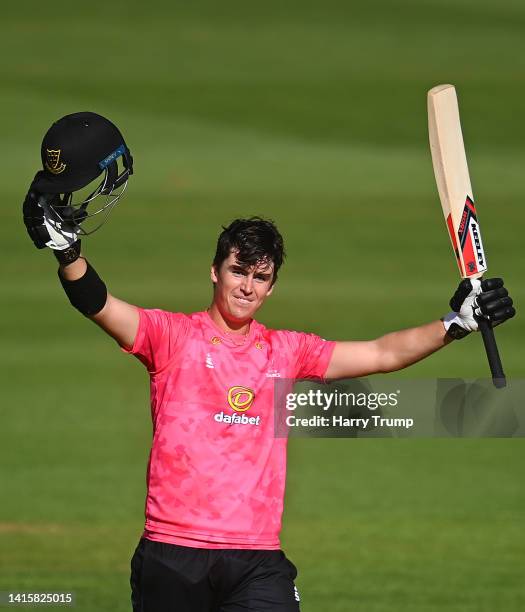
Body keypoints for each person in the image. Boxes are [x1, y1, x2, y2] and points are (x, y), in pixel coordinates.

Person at [23, 114, 516, 612]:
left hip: (257, 560)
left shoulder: (286, 350)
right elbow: (100, 305)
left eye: (260, 277)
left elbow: (381, 354)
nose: (246, 287)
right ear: (214, 272)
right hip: (172, 554)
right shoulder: (172, 337)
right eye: (238, 271)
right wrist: (68, 256)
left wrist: (455, 323)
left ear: (272, 285)